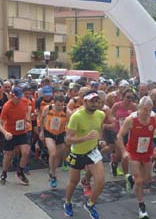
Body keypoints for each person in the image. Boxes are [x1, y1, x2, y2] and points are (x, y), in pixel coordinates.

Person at [117, 96, 156, 219]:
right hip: (133, 152)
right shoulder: (131, 119)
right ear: (139, 107)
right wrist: (123, 152)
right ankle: (142, 207)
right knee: (139, 181)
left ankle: (130, 179)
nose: (147, 113)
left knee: (147, 179)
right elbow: (119, 136)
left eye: (149, 110)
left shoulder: (155, 118)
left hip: (147, 151)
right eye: (144, 110)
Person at [64, 90, 105, 219]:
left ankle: (90, 204)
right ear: (85, 101)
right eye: (92, 101)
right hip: (78, 153)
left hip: (92, 152)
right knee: (73, 181)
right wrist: (85, 138)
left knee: (100, 182)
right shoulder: (76, 116)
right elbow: (68, 139)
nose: (95, 103)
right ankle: (67, 203)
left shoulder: (101, 114)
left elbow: (100, 128)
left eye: (96, 101)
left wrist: (100, 140)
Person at [0, 87, 31, 185]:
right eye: (17, 98)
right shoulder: (7, 106)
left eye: (20, 97)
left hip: (22, 132)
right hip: (10, 133)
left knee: (26, 152)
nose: (19, 99)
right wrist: (5, 133)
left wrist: (28, 121)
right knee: (8, 155)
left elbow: (28, 108)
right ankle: (4, 173)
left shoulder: (24, 101)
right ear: (12, 96)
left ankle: (20, 172)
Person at [39, 95, 69, 189]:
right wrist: (42, 132)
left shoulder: (66, 111)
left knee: (58, 156)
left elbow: (70, 124)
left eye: (61, 105)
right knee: (52, 153)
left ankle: (52, 170)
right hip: (49, 133)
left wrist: (67, 134)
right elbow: (42, 119)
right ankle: (53, 175)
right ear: (54, 103)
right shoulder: (48, 109)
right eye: (58, 105)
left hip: (60, 134)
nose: (60, 107)